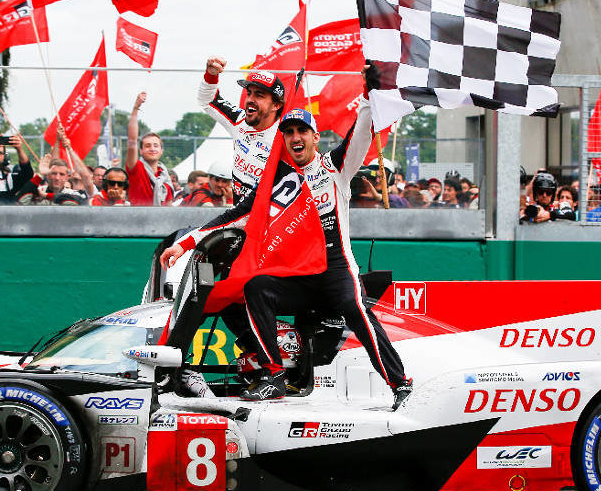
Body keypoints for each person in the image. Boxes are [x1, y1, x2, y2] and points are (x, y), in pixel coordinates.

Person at [160, 95, 413, 411]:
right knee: (255, 287)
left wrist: (366, 98)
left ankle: (400, 383)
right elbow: (232, 216)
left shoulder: (333, 166)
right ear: (283, 139)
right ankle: (274, 376)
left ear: (315, 137)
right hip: (299, 275)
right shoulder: (276, 183)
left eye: (302, 131)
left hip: (336, 267)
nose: (296, 138)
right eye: (289, 132)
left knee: (354, 307)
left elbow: (360, 133)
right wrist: (183, 245)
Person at [198, 57, 286, 202]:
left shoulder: (287, 136)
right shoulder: (240, 120)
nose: (250, 99)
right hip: (239, 212)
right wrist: (211, 75)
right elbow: (207, 101)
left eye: (259, 95)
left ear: (276, 105)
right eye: (249, 93)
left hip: (269, 215)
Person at [125, 92, 173, 206]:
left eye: (156, 145)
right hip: (139, 221)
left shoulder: (165, 176)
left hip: (162, 222)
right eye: (147, 145)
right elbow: (132, 140)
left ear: (162, 151)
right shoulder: (136, 168)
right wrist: (136, 108)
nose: (152, 148)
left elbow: (170, 206)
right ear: (140, 151)